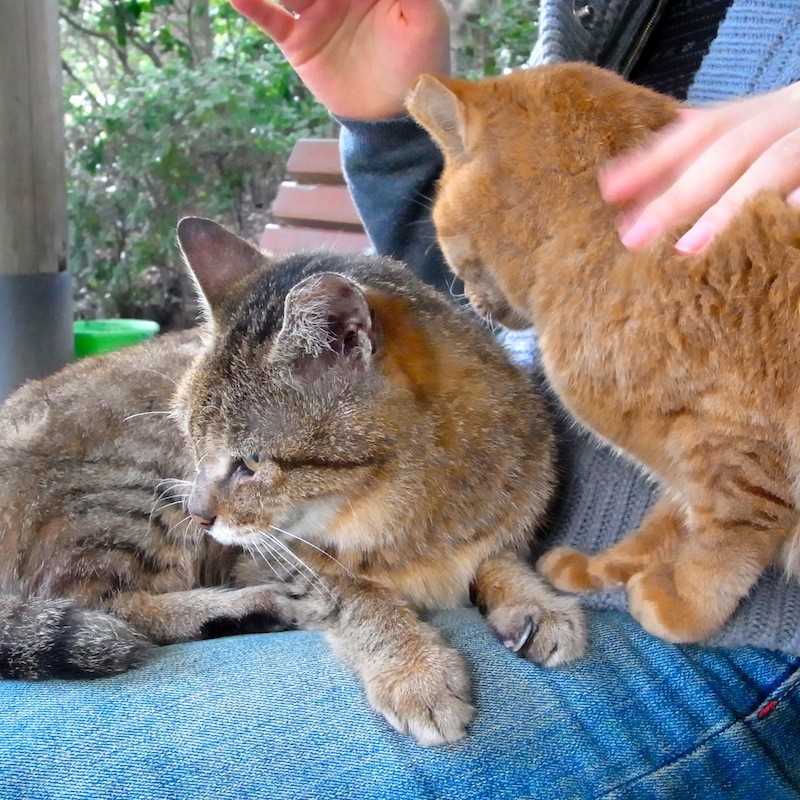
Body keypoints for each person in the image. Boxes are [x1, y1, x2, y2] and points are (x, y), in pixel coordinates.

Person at [2, 4, 797, 799]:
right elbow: (464, 312)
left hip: (713, 606)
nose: (200, 507)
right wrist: (387, 131)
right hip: (444, 482)